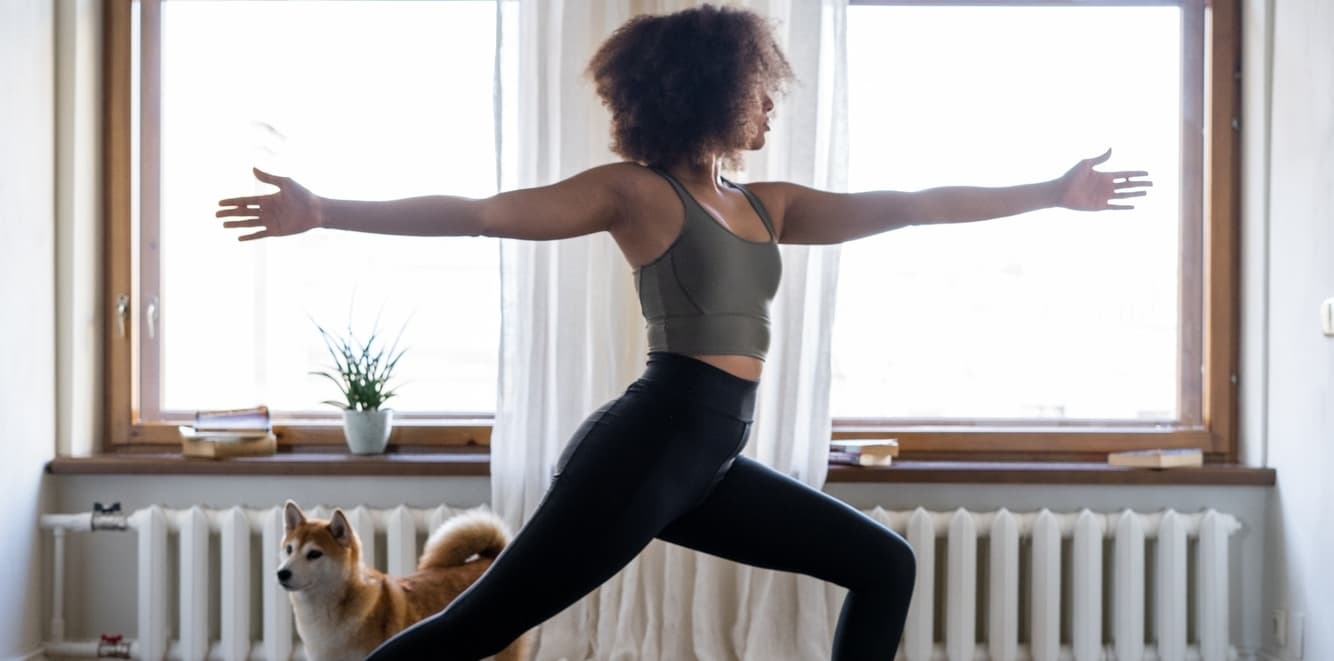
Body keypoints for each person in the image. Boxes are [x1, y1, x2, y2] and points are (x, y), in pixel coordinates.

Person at [217, 5, 1150, 659]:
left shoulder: (763, 202)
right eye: (759, 88)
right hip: (646, 446)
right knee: (470, 629)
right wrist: (326, 208)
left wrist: (1052, 193)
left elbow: (913, 204)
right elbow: (482, 213)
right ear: (712, 92)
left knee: (883, 562)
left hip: (707, 457)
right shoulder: (638, 194)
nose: (770, 104)